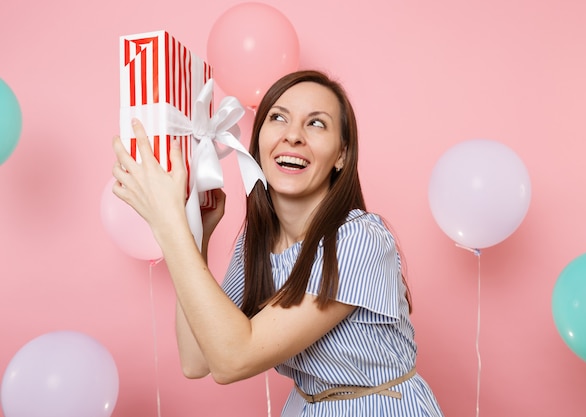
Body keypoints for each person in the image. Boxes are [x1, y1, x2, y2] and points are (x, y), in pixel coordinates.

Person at [112, 70, 444, 416]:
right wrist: (196, 236)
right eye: (278, 118)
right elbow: (197, 360)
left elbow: (233, 360)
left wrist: (169, 225)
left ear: (342, 155)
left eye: (316, 124)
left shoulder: (360, 239)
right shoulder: (257, 243)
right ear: (257, 143)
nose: (293, 136)